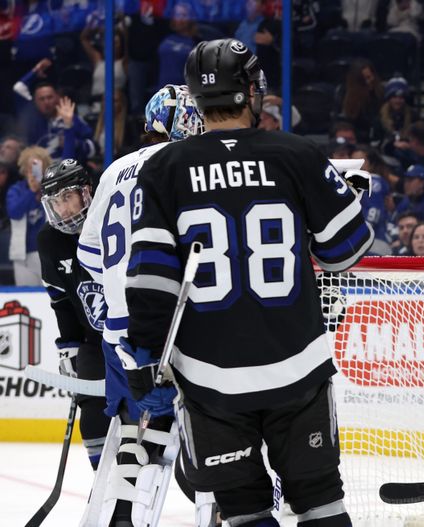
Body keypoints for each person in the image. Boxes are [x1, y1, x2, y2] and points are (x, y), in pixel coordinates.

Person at [121, 38, 373, 527]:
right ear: (250, 90)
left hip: (209, 378)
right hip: (297, 368)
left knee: (242, 511)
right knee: (321, 502)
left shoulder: (163, 168)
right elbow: (347, 252)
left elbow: (150, 280)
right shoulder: (296, 153)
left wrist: (145, 357)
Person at [77, 84, 206, 526]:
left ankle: (123, 511)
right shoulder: (184, 163)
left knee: (134, 422)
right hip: (172, 322)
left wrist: (116, 286)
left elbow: (89, 251)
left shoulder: (114, 169)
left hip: (118, 331)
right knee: (210, 419)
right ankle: (221, 503)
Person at [37, 158, 110, 472]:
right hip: (95, 340)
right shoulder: (50, 241)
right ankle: (104, 482)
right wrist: (68, 346)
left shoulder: (113, 222)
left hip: (137, 336)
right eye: (56, 201)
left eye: (67, 197)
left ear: (87, 192)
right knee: (91, 408)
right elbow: (61, 301)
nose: (63, 209)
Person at [7, 146, 51, 285]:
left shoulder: (52, 189)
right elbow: (14, 213)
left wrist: (42, 190)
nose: (33, 172)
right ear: (25, 169)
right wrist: (31, 192)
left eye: (38, 167)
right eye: (30, 167)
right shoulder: (16, 190)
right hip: (23, 255)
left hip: (49, 254)